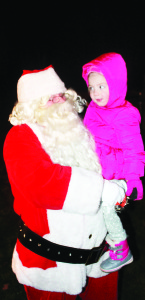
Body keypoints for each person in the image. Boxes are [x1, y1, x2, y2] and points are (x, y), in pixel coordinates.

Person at [3, 65, 127, 300]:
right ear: (32, 107)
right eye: (49, 99)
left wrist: (120, 185)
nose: (59, 102)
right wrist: (102, 191)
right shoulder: (21, 137)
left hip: (100, 255)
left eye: (61, 95)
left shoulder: (80, 129)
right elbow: (41, 183)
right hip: (50, 263)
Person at [82, 52, 145, 273]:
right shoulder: (93, 109)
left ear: (115, 84)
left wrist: (133, 178)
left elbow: (133, 149)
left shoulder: (125, 114)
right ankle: (106, 242)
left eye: (102, 86)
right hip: (97, 171)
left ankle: (121, 246)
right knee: (93, 209)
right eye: (91, 87)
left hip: (118, 175)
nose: (96, 93)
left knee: (107, 207)